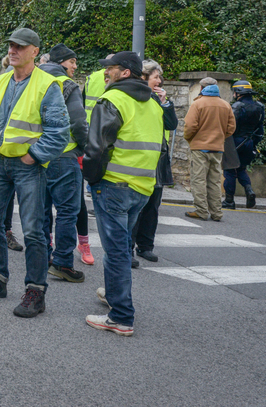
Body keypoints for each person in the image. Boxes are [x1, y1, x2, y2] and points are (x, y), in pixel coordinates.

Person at [0, 29, 69, 319]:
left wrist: (33, 156)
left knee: (34, 229)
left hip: (28, 167)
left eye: (20, 47)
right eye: (11, 46)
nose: (13, 51)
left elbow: (59, 132)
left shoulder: (47, 85)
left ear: (35, 51)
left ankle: (35, 290)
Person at [83, 51, 165, 336]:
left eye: (111, 69)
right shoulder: (154, 104)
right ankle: (113, 294)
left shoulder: (112, 100)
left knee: (116, 252)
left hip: (113, 185)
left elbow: (96, 148)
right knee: (121, 248)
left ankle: (120, 316)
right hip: (142, 188)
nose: (106, 73)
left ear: (126, 72)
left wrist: (92, 179)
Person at [39, 43, 89, 283]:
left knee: (42, 210)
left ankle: (41, 257)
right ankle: (62, 263)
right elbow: (78, 123)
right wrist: (83, 146)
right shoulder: (67, 84)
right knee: (68, 211)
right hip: (63, 154)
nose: (74, 67)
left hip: (37, 155)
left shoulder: (34, 80)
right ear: (61, 63)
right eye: (72, 62)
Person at [131, 59, 178, 263]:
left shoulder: (159, 99)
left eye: (160, 77)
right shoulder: (136, 97)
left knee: (152, 206)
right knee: (136, 208)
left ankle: (145, 246)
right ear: (143, 77)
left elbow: (171, 124)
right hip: (140, 158)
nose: (160, 81)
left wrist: (165, 103)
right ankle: (127, 249)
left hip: (157, 158)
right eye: (156, 77)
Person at [183, 81, 236, 221]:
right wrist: (220, 137)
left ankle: (201, 210)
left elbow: (189, 126)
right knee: (215, 181)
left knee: (199, 179)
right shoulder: (225, 105)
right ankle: (217, 213)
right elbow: (231, 128)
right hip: (217, 148)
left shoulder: (197, 104)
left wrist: (190, 139)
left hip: (200, 147)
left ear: (201, 88)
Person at [223, 80, 265, 209]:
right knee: (241, 169)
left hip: (235, 141)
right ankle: (249, 191)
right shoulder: (260, 106)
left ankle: (229, 201)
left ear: (238, 92)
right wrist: (254, 144)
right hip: (249, 141)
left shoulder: (237, 106)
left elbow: (230, 126)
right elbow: (260, 128)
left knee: (230, 171)